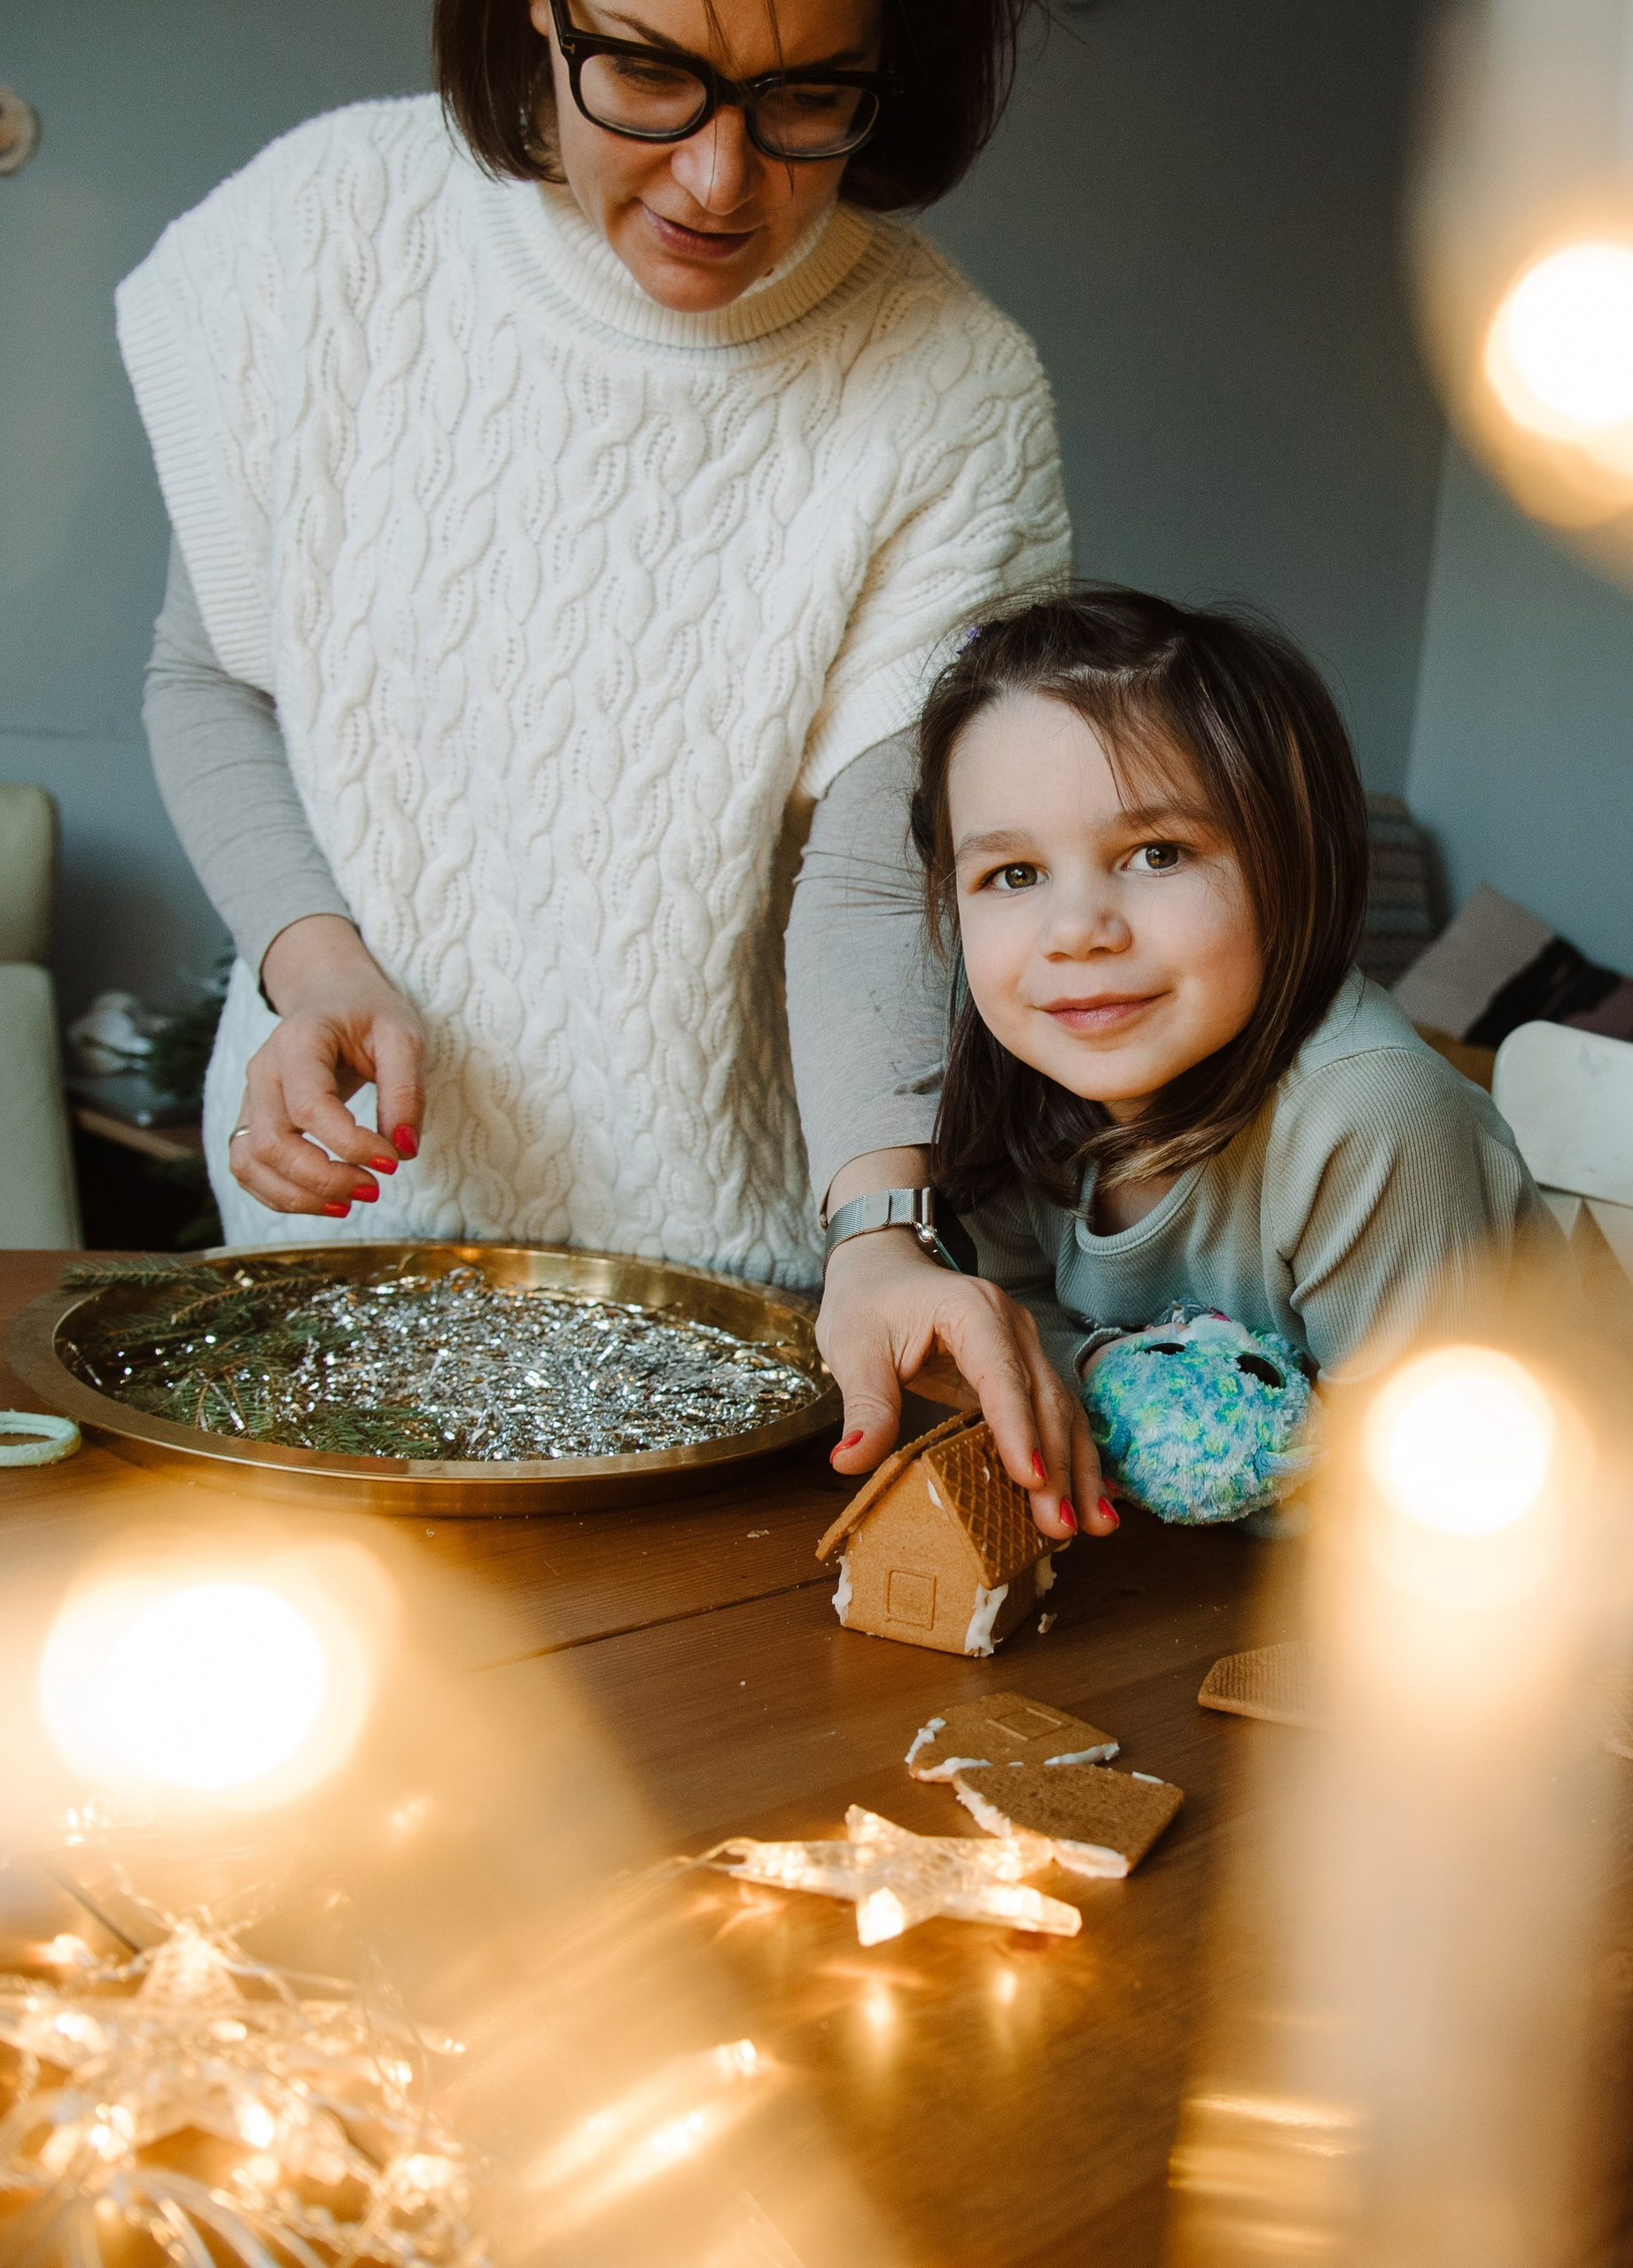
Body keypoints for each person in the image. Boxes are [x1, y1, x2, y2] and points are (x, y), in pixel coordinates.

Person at [123, 0, 1114, 1534]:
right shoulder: (323, 238)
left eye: (808, 99)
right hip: (346, 1240)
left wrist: (883, 1226)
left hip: (737, 1295)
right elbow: (211, 679)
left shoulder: (951, 388)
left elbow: (880, 861)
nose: (722, 180)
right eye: (651, 73)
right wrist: (315, 970)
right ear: (538, 17)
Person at [906, 588, 1560, 1532]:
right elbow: (1009, 1310)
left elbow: (1425, 1493)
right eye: (1012, 874)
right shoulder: (1023, 1074)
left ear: (1289, 865)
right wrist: (1097, 1371)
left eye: (1157, 852)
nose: (1076, 931)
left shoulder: (1371, 1115)